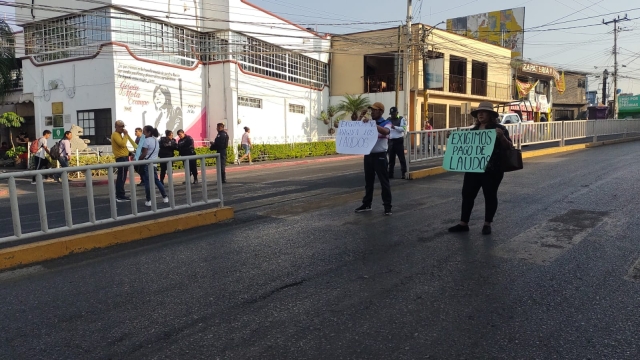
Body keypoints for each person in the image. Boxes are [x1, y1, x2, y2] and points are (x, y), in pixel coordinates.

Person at [448, 101, 513, 235]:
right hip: (473, 169)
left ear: (491, 115)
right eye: (478, 112)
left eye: (484, 112)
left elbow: (509, 147)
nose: (480, 114)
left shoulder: (499, 129)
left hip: (492, 170)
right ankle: (463, 223)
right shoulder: (473, 130)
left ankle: (487, 223)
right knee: (467, 194)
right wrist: (453, 139)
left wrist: (501, 137)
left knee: (489, 195)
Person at [354, 102, 393, 215]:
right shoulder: (368, 122)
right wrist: (360, 117)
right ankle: (367, 204)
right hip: (368, 155)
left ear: (381, 111)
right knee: (368, 182)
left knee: (384, 182)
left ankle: (387, 206)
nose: (372, 112)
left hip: (380, 156)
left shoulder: (386, 122)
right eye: (372, 110)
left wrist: (372, 125)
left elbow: (386, 131)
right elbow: (355, 130)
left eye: (375, 110)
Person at [138, 125, 169, 207]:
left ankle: (149, 200)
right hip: (154, 164)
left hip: (147, 164)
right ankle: (165, 197)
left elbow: (144, 154)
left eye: (144, 132)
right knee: (157, 181)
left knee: (147, 182)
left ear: (149, 132)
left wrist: (137, 160)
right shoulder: (156, 141)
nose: (143, 134)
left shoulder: (146, 141)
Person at [111, 120, 137, 202]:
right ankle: (120, 195)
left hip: (124, 157)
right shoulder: (115, 134)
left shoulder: (119, 135)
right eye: (121, 126)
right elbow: (122, 144)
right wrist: (126, 135)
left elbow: (122, 148)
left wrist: (129, 153)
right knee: (121, 177)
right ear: (116, 127)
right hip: (121, 158)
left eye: (123, 126)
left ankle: (120, 194)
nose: (122, 128)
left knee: (123, 176)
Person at [386, 106, 407, 179]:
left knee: (401, 158)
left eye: (394, 114)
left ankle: (404, 173)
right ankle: (390, 174)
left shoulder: (401, 119)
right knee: (391, 159)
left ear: (397, 113)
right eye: (391, 114)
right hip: (391, 141)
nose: (392, 115)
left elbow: (403, 128)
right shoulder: (388, 119)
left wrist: (395, 127)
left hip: (398, 140)